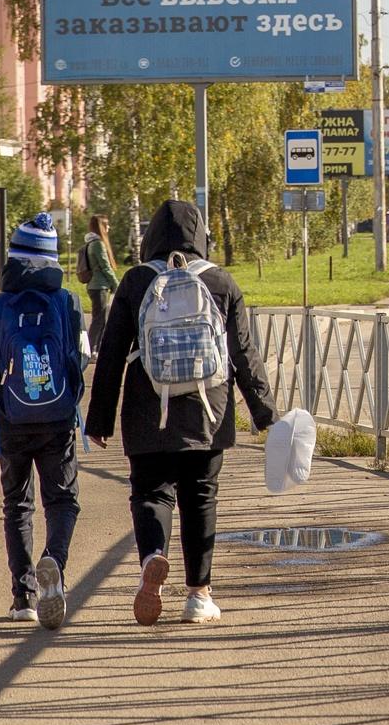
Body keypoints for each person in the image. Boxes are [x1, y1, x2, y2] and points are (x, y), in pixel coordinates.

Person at [86, 198, 273, 626]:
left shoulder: (135, 282)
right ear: (201, 235)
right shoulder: (220, 282)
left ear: (150, 237)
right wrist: (264, 413)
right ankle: (199, 595)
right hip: (208, 412)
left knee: (151, 492)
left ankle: (154, 555)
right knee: (200, 496)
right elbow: (244, 353)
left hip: (147, 411)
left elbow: (111, 353)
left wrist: (99, 420)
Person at [0, 210, 85, 628]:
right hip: (57, 419)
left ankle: (23, 596)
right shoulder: (68, 302)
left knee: (17, 504)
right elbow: (82, 358)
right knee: (62, 500)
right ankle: (53, 560)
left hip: (10, 419)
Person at [79, 216, 120, 321]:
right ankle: (95, 338)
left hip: (93, 285)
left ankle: (96, 338)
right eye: (107, 225)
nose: (109, 227)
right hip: (99, 286)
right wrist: (116, 285)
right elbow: (105, 267)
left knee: (98, 319)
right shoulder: (98, 244)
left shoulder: (90, 243)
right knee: (99, 320)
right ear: (101, 227)